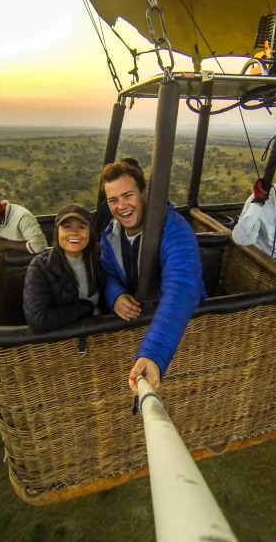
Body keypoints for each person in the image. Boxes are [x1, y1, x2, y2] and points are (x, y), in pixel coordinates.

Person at [99, 160, 206, 392]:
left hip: (177, 332)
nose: (122, 206)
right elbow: (106, 273)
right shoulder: (111, 236)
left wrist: (154, 354)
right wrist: (115, 295)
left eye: (128, 195)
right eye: (113, 200)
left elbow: (182, 289)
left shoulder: (174, 230)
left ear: (144, 193)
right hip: (139, 325)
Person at [22, 205, 99, 333]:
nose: (74, 232)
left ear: (90, 233)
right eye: (67, 227)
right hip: (63, 344)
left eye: (81, 227)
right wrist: (87, 307)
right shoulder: (40, 267)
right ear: (57, 232)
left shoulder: (98, 259)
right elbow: (38, 320)